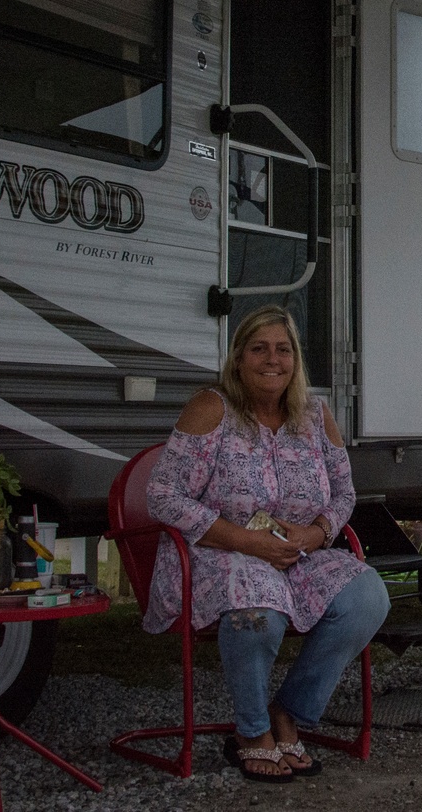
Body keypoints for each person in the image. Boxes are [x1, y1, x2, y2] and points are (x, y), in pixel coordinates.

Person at [144, 305, 389, 783]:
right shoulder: (212, 408)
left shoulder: (316, 414)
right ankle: (252, 732)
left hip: (298, 554)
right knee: (258, 600)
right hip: (220, 554)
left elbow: (344, 493)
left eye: (283, 349)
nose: (271, 359)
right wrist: (246, 541)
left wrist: (317, 533)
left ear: (295, 360)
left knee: (367, 596)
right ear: (238, 359)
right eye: (259, 349)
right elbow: (162, 494)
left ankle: (288, 713)